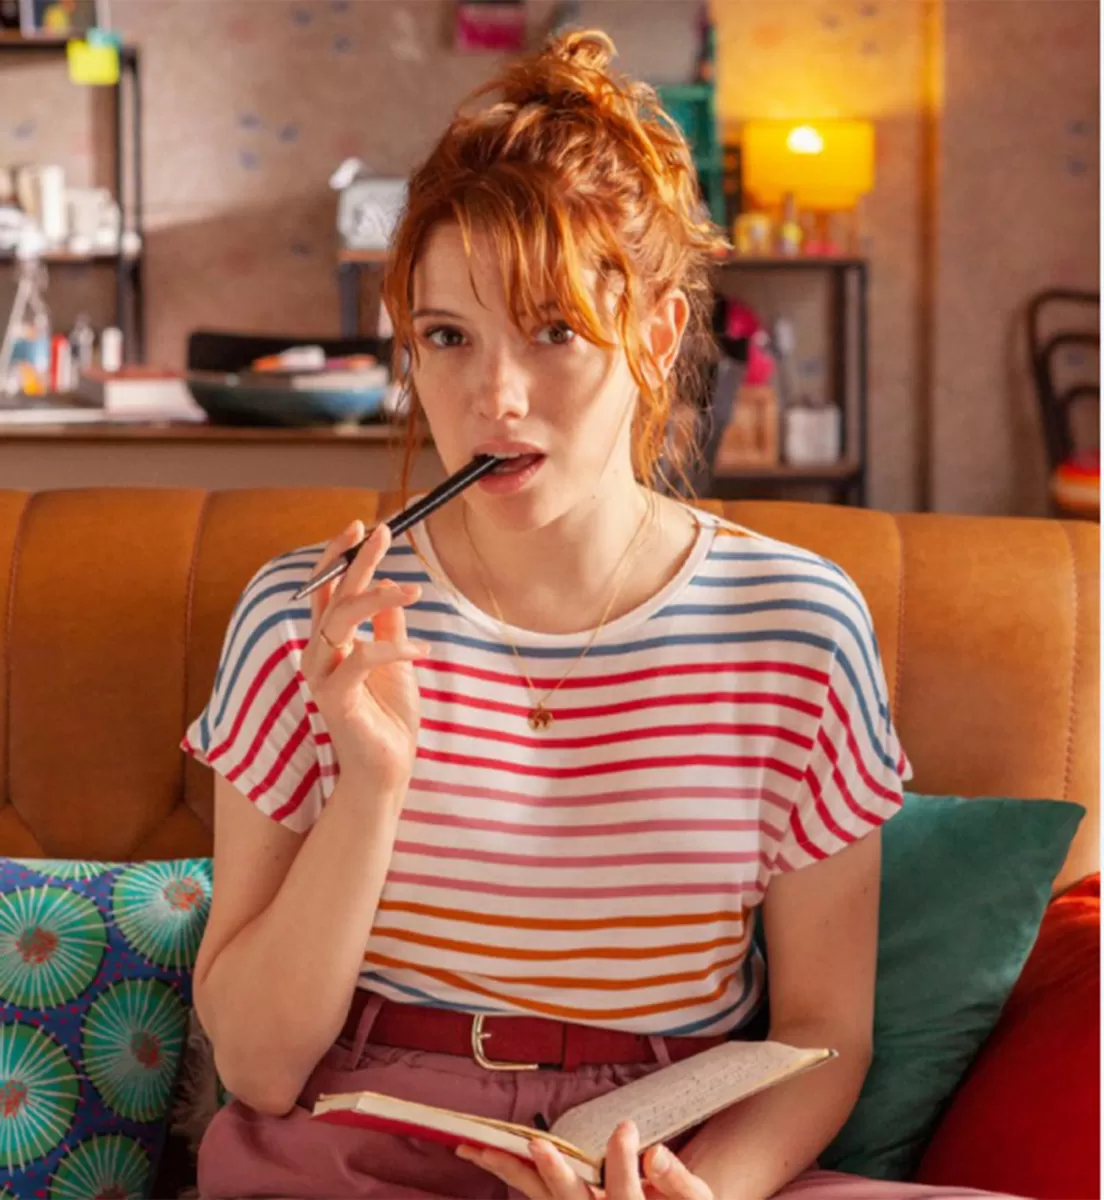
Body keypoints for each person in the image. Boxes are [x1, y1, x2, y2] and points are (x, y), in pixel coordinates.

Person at [182, 31, 1021, 1200]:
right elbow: (261, 1069)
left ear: (659, 337)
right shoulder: (303, 620)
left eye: (555, 332)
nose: (494, 398)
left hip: (674, 1152)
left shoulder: (798, 625)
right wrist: (372, 782)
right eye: (447, 337)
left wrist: (702, 1193)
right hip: (365, 1146)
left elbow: (827, 1033)